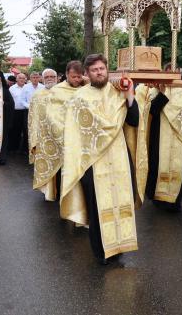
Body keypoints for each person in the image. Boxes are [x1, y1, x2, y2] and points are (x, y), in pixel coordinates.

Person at [60, 54, 142, 264]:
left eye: (102, 69)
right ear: (87, 74)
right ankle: (101, 252)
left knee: (120, 203)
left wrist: (129, 95)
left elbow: (133, 121)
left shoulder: (117, 93)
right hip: (92, 163)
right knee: (98, 210)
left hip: (119, 159)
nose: (99, 73)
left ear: (107, 70)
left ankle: (118, 248)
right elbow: (75, 135)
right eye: (94, 70)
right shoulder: (79, 99)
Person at [29, 62, 85, 201]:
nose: (49, 78)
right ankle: (51, 192)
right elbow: (33, 118)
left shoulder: (78, 90)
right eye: (46, 76)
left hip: (70, 135)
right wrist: (34, 138)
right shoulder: (37, 95)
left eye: (52, 76)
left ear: (57, 77)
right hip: (45, 136)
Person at [136, 82, 182, 212]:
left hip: (179, 138)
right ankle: (158, 199)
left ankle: (175, 201)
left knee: (177, 168)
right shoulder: (152, 91)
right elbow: (151, 112)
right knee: (157, 165)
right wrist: (162, 94)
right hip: (158, 136)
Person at [9, 73, 28, 153]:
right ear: (16, 79)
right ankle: (13, 148)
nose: (22, 80)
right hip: (15, 112)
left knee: (26, 130)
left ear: (25, 79)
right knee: (15, 130)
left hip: (26, 111)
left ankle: (25, 149)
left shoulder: (28, 88)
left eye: (23, 78)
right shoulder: (12, 88)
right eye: (20, 78)